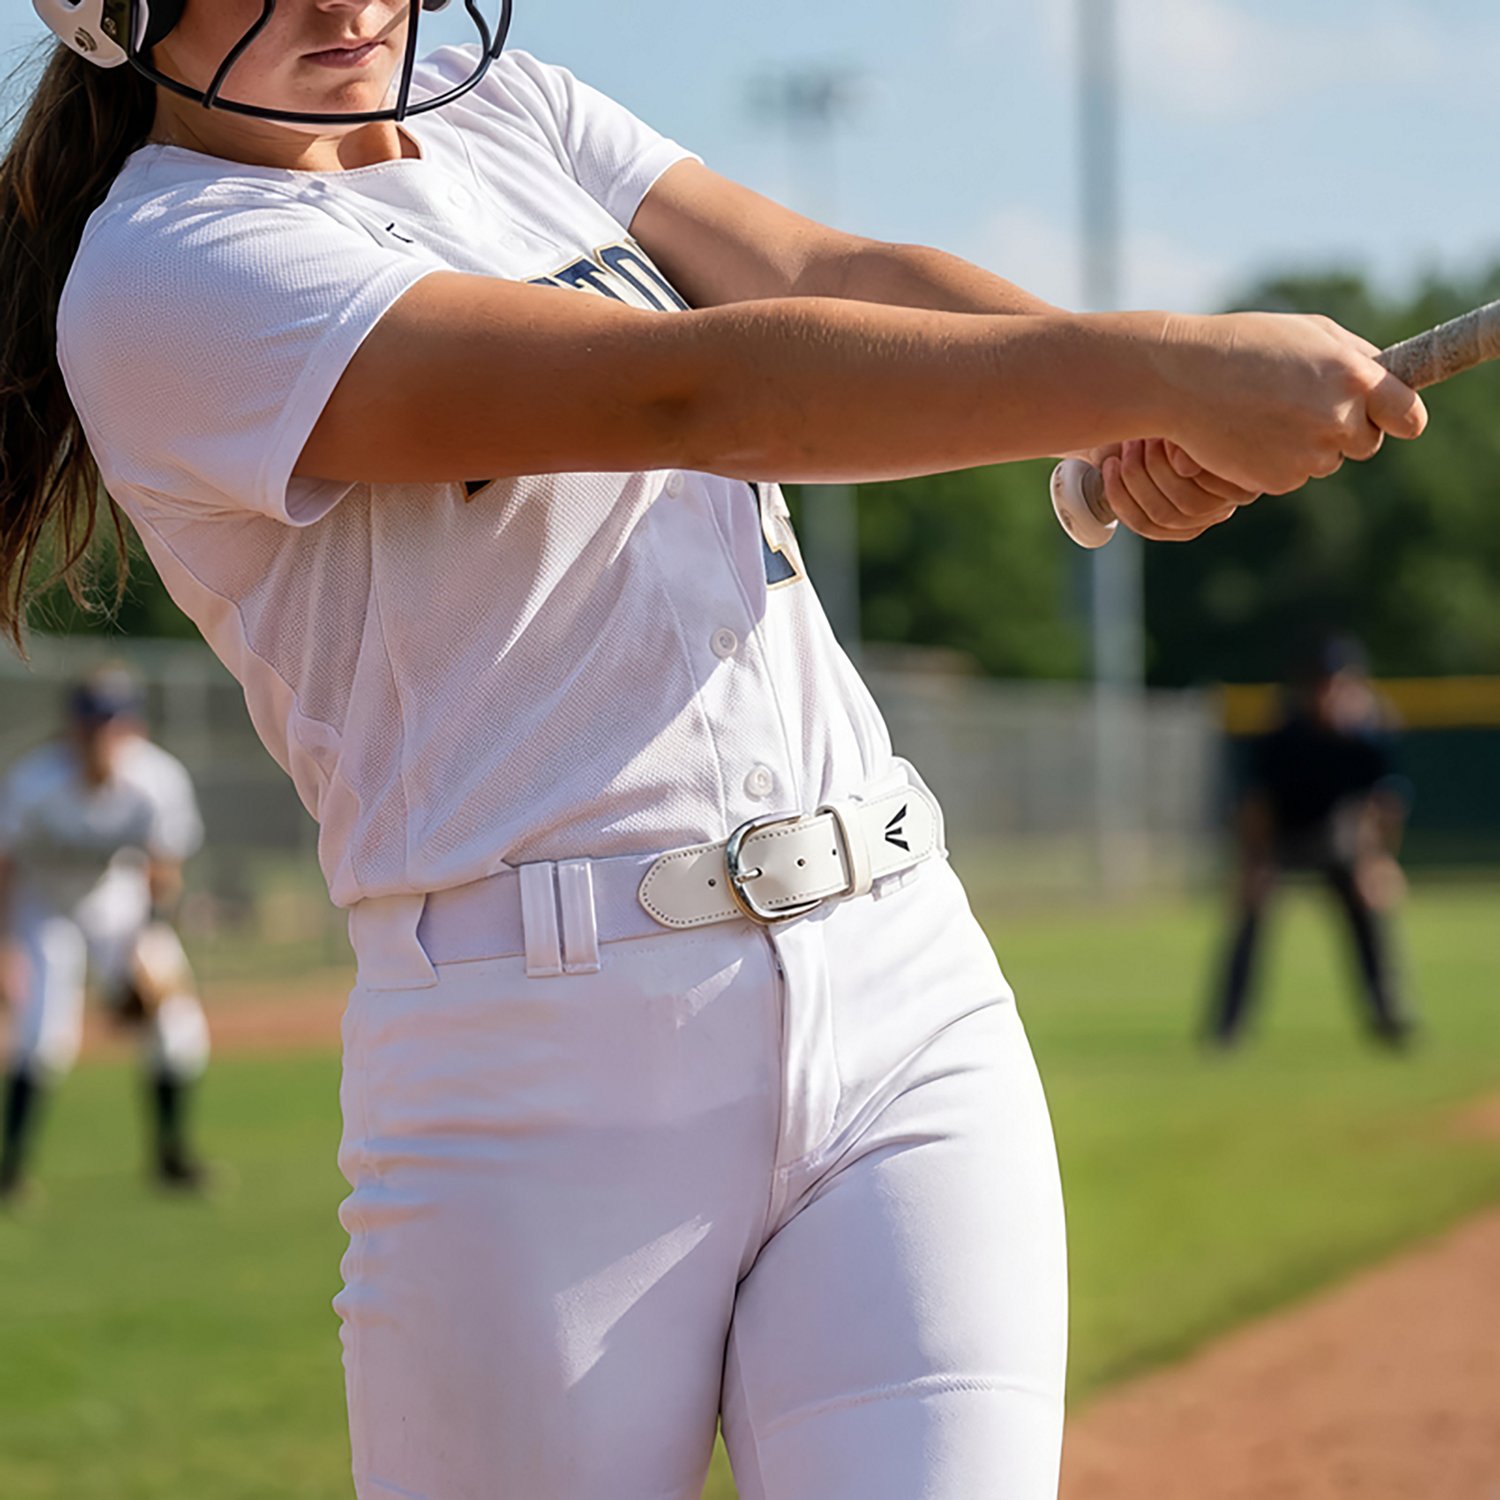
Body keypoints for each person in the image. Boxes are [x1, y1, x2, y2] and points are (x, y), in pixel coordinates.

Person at [0, 3, 1428, 1495]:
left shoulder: (499, 103)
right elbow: (689, 389)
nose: (347, 5)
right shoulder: (166, 271)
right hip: (542, 1078)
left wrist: (1098, 427)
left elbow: (821, 275)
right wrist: (1164, 368)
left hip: (901, 987)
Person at [0, 664, 211, 1202]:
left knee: (176, 1024)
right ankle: (12, 1170)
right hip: (43, 904)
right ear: (72, 727)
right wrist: (4, 948)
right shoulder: (34, 782)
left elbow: (164, 867)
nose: (102, 735)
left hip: (119, 900)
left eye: (113, 722)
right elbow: (5, 867)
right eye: (91, 722)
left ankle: (171, 1157)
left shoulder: (157, 779)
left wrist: (149, 944)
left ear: (134, 727)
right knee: (43, 1033)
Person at [1206, 636, 1414, 1050]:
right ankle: (1228, 1028)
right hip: (1280, 834)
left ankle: (1387, 1013)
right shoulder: (1283, 736)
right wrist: (1254, 865)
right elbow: (1256, 808)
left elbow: (1384, 806)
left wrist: (1377, 862)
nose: (1328, 692)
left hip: (1337, 833)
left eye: (1337, 682)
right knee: (1251, 914)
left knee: (1366, 910)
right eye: (1320, 682)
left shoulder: (1369, 737)